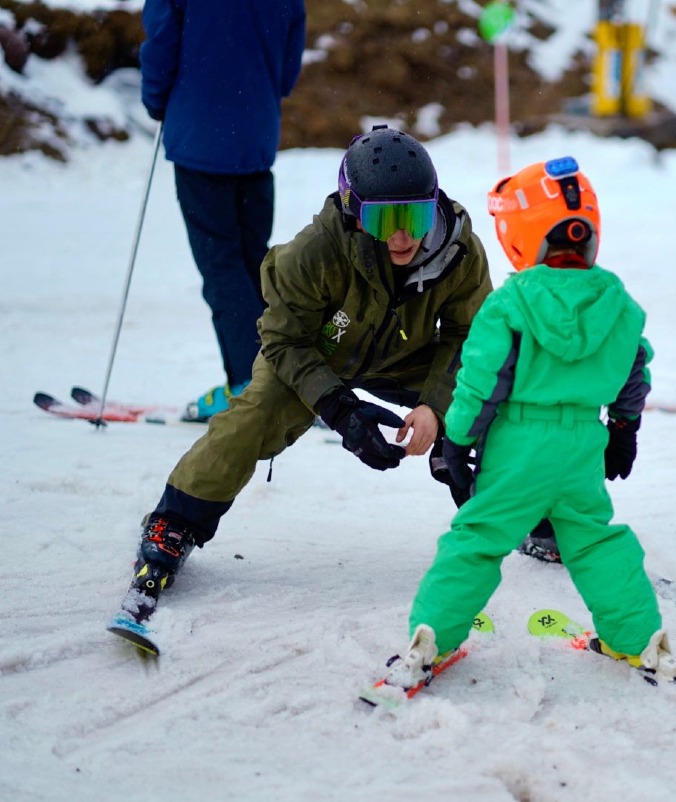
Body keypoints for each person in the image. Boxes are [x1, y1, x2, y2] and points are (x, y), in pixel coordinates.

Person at [124, 127, 493, 607]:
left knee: (500, 392)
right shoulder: (314, 251)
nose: (402, 235)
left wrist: (436, 409)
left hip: (409, 356)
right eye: (384, 220)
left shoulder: (459, 250)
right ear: (353, 210)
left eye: (415, 215)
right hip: (319, 354)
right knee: (254, 413)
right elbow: (281, 339)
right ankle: (174, 523)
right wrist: (341, 410)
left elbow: (470, 336)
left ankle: (527, 511)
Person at [381, 156, 676, 693]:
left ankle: (432, 637)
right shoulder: (618, 303)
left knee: (476, 540)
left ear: (519, 237)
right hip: (582, 444)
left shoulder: (511, 304)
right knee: (594, 542)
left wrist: (458, 438)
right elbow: (634, 369)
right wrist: (624, 428)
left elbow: (483, 380)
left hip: (520, 445)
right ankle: (639, 639)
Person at [140, 0, 306, 421]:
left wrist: (158, 100)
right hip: (255, 135)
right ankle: (283, 375)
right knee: (255, 262)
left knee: (222, 264)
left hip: (200, 138)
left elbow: (160, 44)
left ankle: (250, 384)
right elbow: (289, 60)